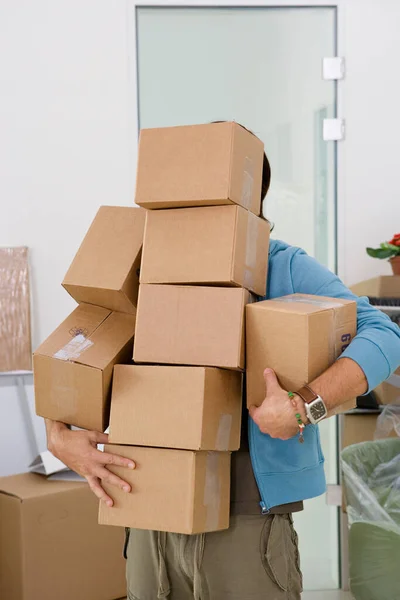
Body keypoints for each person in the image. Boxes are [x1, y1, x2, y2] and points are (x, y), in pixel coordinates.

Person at [45, 125, 400, 600]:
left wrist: (305, 405)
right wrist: (58, 435)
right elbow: (76, 349)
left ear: (249, 200)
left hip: (246, 518)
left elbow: (386, 334)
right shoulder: (139, 264)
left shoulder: (282, 268)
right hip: (146, 505)